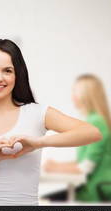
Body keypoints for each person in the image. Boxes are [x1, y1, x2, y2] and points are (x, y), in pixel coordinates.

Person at [0, 39, 102, 205]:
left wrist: (38, 143)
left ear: (17, 75)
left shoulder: (37, 113)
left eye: (7, 71)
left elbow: (92, 133)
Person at [43, 74, 111, 202]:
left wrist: (55, 168)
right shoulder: (94, 120)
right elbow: (85, 161)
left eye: (75, 92)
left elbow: (85, 167)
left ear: (86, 96)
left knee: (45, 202)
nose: (72, 97)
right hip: (91, 188)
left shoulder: (96, 122)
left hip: (96, 191)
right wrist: (57, 165)